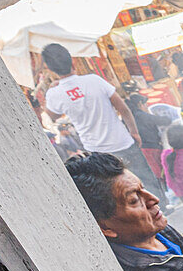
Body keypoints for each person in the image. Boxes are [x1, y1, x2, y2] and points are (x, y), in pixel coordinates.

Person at [37, 43, 165, 205]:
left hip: (98, 152)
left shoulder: (55, 94)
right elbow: (124, 109)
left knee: (120, 194)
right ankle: (163, 211)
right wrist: (134, 132)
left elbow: (51, 117)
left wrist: (53, 89)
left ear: (50, 69)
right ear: (73, 62)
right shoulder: (94, 80)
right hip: (123, 142)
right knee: (147, 184)